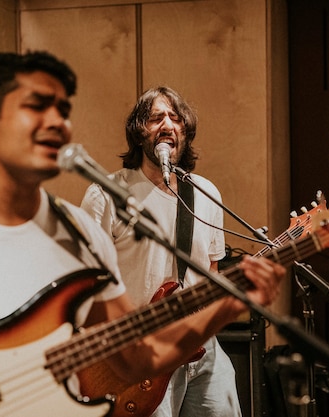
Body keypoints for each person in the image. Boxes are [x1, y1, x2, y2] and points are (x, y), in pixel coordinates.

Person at [0, 52, 284, 417]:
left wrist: (226, 306)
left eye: (62, 110)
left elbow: (134, 358)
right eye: (34, 107)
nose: (57, 123)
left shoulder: (80, 233)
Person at [81, 86, 247, 417]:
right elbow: (85, 282)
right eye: (156, 118)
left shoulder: (205, 194)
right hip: (140, 354)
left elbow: (211, 269)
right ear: (138, 131)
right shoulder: (107, 195)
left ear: (185, 131)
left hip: (202, 350)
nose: (167, 125)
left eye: (175, 118)